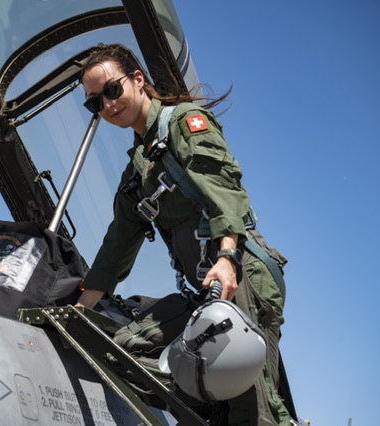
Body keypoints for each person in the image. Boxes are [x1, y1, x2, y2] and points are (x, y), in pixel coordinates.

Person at [75, 43, 292, 425]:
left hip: (241, 273)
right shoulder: (137, 172)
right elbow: (117, 242)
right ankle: (212, 404)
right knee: (122, 348)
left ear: (137, 79)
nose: (107, 105)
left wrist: (227, 259)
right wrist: (81, 309)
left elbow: (224, 192)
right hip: (206, 289)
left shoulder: (184, 123)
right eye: (95, 102)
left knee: (251, 408)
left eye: (112, 90)